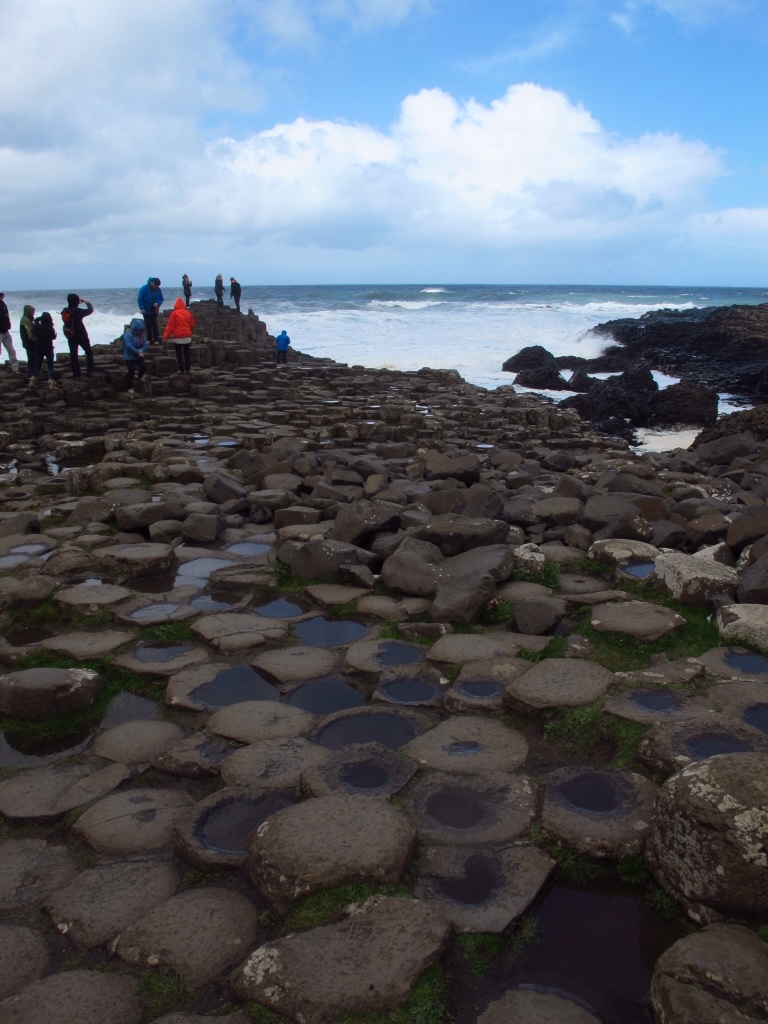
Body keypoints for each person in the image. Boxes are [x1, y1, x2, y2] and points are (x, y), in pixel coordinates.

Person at [61, 294, 94, 377]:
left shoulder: (65, 311)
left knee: (73, 355)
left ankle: (76, 374)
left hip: (71, 335)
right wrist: (87, 302)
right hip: (81, 335)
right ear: (76, 301)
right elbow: (90, 310)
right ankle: (90, 371)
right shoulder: (78, 311)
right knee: (89, 352)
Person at [162, 296, 196, 375]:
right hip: (187, 336)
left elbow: (170, 326)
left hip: (178, 337)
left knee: (179, 353)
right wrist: (190, 332)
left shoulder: (174, 313)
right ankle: (188, 369)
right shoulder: (188, 313)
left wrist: (165, 337)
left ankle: (181, 370)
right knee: (187, 353)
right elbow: (193, 325)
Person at [31, 312, 57, 390]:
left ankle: (32, 381)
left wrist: (40, 318)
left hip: (39, 349)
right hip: (48, 349)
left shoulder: (37, 327)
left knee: (37, 365)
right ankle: (51, 384)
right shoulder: (50, 329)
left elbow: (35, 320)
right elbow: (54, 337)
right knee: (50, 367)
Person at [122, 318, 147, 395]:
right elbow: (129, 346)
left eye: (140, 330)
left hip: (138, 354)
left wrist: (141, 350)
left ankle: (139, 377)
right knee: (131, 371)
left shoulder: (141, 335)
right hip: (129, 356)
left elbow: (145, 345)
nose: (139, 332)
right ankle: (129, 387)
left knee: (143, 368)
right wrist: (137, 352)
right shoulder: (128, 334)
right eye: (138, 330)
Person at [137, 277, 164, 344]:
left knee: (154, 324)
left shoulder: (158, 289)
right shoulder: (144, 288)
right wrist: (142, 308)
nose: (156, 287)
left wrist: (158, 303)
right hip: (146, 310)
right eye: (155, 285)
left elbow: (161, 298)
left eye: (157, 286)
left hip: (154, 310)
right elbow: (140, 299)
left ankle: (156, 339)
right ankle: (149, 339)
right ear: (152, 283)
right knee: (148, 324)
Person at [0, 293, 19, 372]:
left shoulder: (3, 304)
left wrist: (8, 324)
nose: (2, 297)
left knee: (11, 350)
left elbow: (6, 316)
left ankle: (15, 368)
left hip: (5, 331)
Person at [19, 304, 37, 383]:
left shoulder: (26, 318)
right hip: (29, 343)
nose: (33, 313)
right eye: (32, 312)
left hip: (27, 342)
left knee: (32, 359)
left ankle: (31, 375)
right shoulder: (26, 320)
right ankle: (30, 376)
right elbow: (30, 334)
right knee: (32, 359)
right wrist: (37, 340)